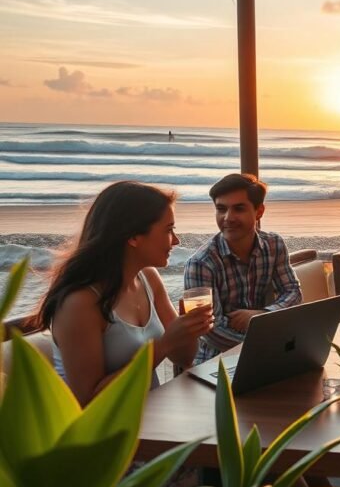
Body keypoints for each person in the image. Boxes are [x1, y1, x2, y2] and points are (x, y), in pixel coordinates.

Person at [37, 182, 213, 405]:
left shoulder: (148, 278)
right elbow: (88, 399)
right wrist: (165, 345)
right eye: (168, 230)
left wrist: (189, 330)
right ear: (133, 237)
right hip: (106, 433)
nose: (176, 241)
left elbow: (184, 358)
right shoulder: (80, 302)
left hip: (152, 417)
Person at [185, 173, 302, 365]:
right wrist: (267, 347)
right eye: (221, 209)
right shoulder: (201, 263)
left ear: (259, 211)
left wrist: (262, 315)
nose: (228, 218)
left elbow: (293, 292)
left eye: (238, 208)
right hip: (216, 363)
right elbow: (210, 331)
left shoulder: (274, 245)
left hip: (265, 355)